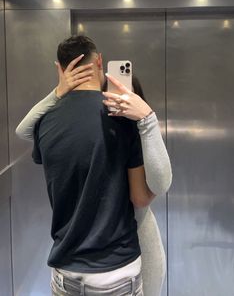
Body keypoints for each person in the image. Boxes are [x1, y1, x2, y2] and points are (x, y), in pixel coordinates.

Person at [16, 37, 172, 296]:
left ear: (61, 69)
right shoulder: (123, 118)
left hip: (65, 271)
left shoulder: (44, 123)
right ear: (99, 61)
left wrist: (58, 92)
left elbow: (23, 131)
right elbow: (142, 196)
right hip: (117, 270)